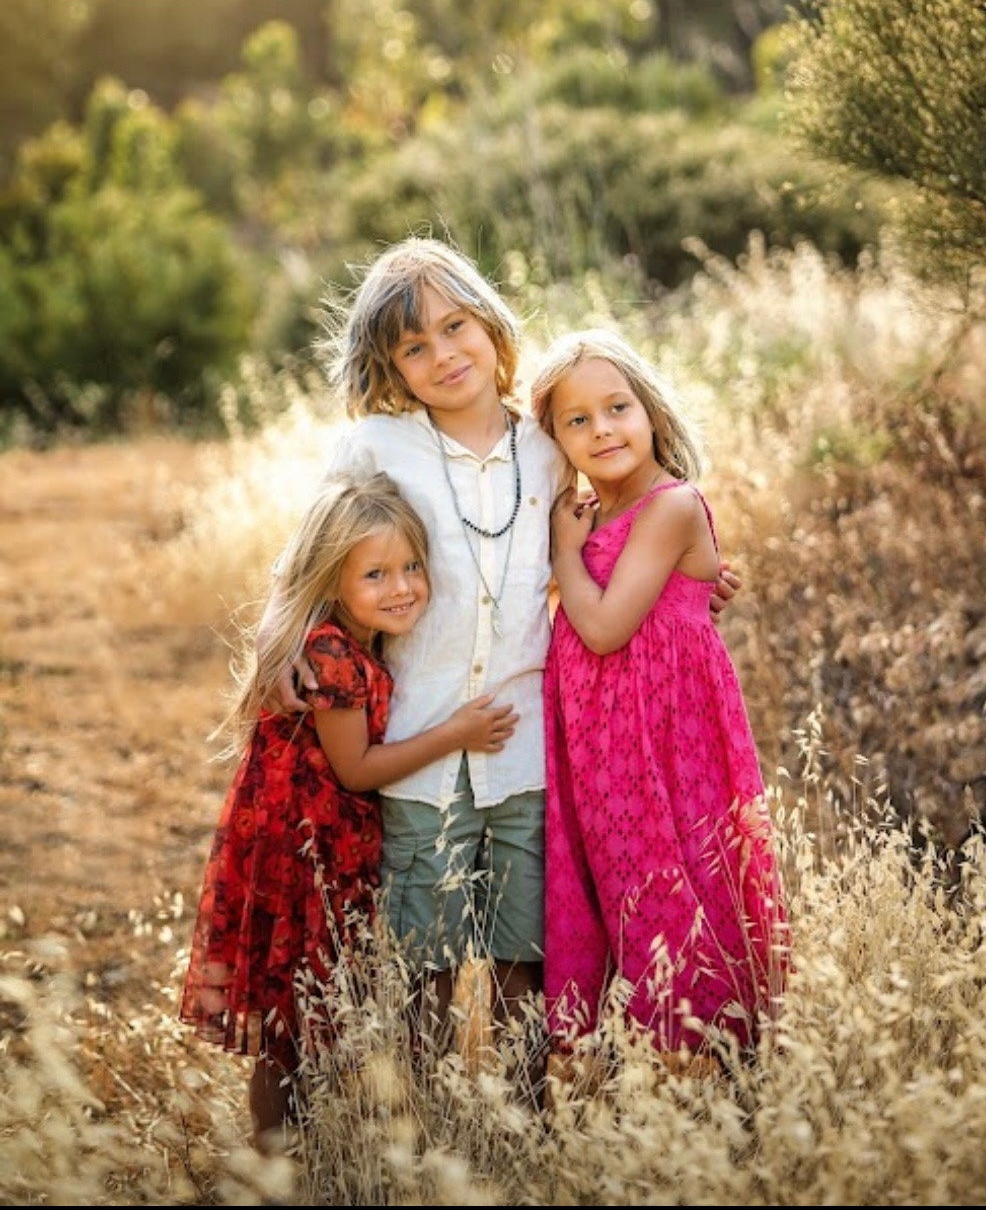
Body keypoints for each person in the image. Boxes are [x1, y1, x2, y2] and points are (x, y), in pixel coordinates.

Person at [269, 238, 740, 1057]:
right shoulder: (376, 447)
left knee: (526, 956)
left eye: (457, 328)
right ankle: (431, 1126)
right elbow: (313, 558)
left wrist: (690, 582)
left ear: (491, 327)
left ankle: (524, 1123)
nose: (443, 354)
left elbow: (613, 536)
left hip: (528, 743)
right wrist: (283, 645)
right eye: (414, 346)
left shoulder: (550, 445)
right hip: (418, 740)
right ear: (389, 364)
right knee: (427, 962)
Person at [179, 468, 517, 1149]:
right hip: (305, 850)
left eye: (411, 567)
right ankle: (273, 1159)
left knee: (305, 1012)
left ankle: (309, 1149)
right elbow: (355, 768)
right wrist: (455, 731)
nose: (401, 587)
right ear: (332, 581)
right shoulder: (330, 657)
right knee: (289, 1019)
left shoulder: (351, 639)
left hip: (320, 839)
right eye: (375, 575)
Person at [530, 328, 789, 1069]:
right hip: (601, 748)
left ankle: (703, 1061)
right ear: (554, 440)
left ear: (651, 411)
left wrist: (562, 556)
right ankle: (636, 1066)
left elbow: (607, 628)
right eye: (576, 420)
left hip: (661, 746)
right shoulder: (588, 515)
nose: (601, 428)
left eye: (617, 407)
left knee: (673, 888)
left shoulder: (668, 506)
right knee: (614, 892)